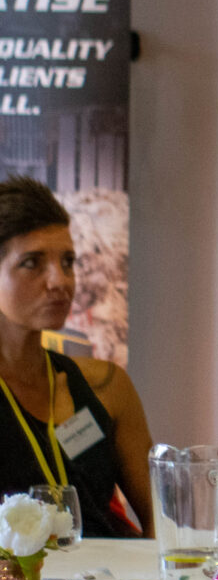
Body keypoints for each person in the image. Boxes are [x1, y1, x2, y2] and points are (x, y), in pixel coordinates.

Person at [0, 177, 150, 537]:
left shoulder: (107, 386)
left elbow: (163, 521)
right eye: (32, 263)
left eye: (67, 262)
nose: (60, 281)